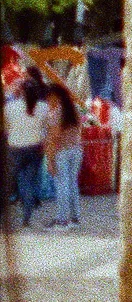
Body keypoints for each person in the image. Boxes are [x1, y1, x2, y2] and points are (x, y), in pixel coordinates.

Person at [2, 73, 46, 227]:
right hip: (35, 148)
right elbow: (45, 128)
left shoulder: (10, 107)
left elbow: (6, 127)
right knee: (28, 182)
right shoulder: (43, 107)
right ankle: (26, 216)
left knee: (10, 181)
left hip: (15, 148)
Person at [42, 76, 86, 227]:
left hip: (62, 152)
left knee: (62, 185)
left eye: (48, 98)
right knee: (72, 184)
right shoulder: (73, 109)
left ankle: (62, 219)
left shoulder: (56, 113)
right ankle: (75, 218)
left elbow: (54, 138)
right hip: (76, 149)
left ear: (54, 96)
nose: (48, 102)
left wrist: (49, 160)